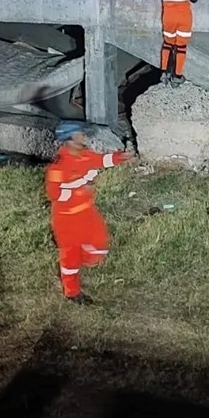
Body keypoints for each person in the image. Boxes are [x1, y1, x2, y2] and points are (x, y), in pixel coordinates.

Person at [45, 120, 131, 304]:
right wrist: (80, 187)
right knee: (71, 258)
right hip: (67, 219)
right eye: (80, 134)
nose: (84, 136)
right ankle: (72, 292)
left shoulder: (85, 155)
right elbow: (55, 194)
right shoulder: (58, 167)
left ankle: (75, 250)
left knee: (99, 246)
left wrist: (119, 158)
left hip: (87, 212)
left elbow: (100, 161)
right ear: (69, 139)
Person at [152, 0, 198, 85]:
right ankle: (177, 76)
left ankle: (164, 73)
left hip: (168, 17)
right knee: (181, 47)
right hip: (184, 18)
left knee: (167, 44)